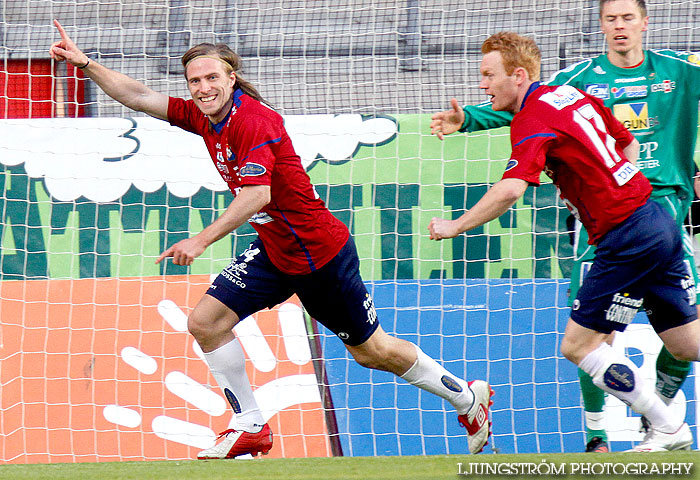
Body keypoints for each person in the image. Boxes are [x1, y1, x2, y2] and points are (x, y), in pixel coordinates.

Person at [49, 20, 494, 458]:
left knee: (372, 352)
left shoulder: (253, 121)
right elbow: (139, 96)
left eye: (211, 78)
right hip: (275, 250)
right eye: (194, 81)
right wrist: (85, 62)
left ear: (231, 77)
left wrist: (202, 240)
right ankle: (250, 425)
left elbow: (257, 193)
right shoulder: (206, 116)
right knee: (205, 322)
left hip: (318, 255)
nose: (202, 88)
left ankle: (466, 398)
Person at [430, 0, 700, 453]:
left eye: (489, 75)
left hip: (626, 235)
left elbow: (511, 189)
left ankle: (667, 426)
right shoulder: (572, 94)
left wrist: (457, 226)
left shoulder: (534, 117)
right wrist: (598, 184)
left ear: (518, 76)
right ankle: (657, 427)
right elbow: (628, 143)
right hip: (654, 219)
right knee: (688, 343)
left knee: (578, 345)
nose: (483, 84)